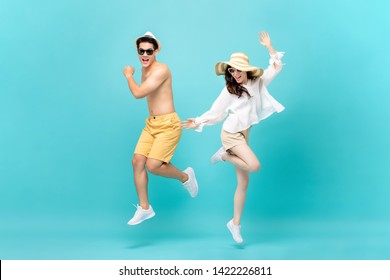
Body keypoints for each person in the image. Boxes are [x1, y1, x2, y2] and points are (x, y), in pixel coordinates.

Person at [183, 32, 285, 243]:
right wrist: (199, 121)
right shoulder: (230, 90)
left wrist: (270, 47)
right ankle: (224, 156)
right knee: (254, 165)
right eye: (232, 70)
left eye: (239, 70)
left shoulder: (257, 82)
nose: (235, 74)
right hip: (231, 135)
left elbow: (276, 68)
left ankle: (235, 224)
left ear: (247, 70)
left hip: (244, 133)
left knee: (243, 183)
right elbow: (216, 113)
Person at [123, 31, 198, 226]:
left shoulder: (161, 69)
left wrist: (128, 75)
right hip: (152, 123)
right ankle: (145, 208)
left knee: (153, 166)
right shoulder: (144, 68)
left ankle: (186, 176)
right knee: (137, 161)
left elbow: (138, 93)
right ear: (138, 51)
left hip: (168, 125)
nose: (145, 55)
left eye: (149, 51)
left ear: (156, 51)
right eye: (141, 51)